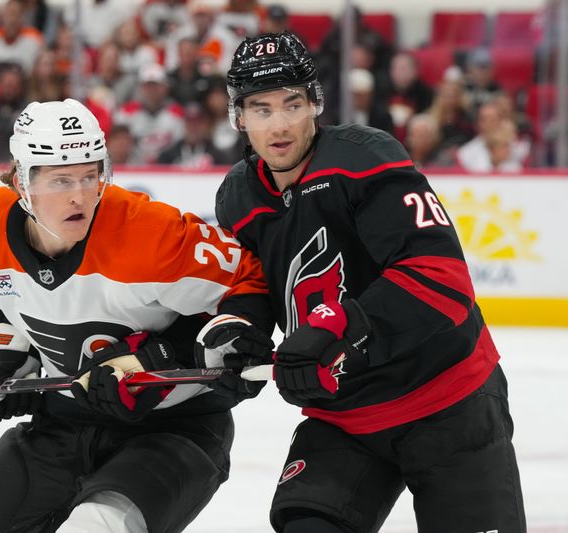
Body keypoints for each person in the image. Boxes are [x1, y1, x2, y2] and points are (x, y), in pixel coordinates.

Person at [215, 31, 526, 533]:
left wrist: (336, 328)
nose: (279, 124)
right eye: (261, 108)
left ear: (315, 103)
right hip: (345, 416)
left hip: (447, 398)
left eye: (292, 103)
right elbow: (252, 284)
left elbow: (439, 280)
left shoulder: (364, 159)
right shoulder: (237, 197)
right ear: (239, 117)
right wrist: (242, 329)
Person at [0, 98, 275, 533]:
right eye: (61, 180)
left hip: (173, 426)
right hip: (63, 420)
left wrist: (167, 356)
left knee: (97, 526)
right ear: (20, 181)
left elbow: (248, 281)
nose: (81, 195)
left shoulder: (150, 233)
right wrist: (10, 355)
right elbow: (12, 302)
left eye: (89, 175)